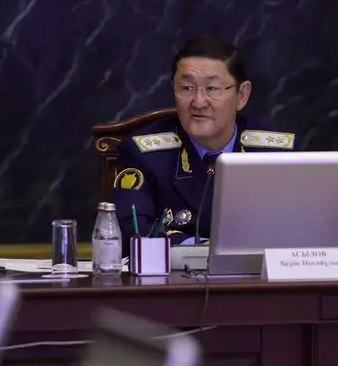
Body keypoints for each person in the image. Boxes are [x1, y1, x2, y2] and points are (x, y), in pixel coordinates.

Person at [111, 35, 297, 254]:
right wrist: (198, 250)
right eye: (187, 88)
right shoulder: (144, 155)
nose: (198, 102)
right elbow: (127, 232)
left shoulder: (277, 154)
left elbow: (303, 227)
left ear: (242, 95)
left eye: (212, 89)